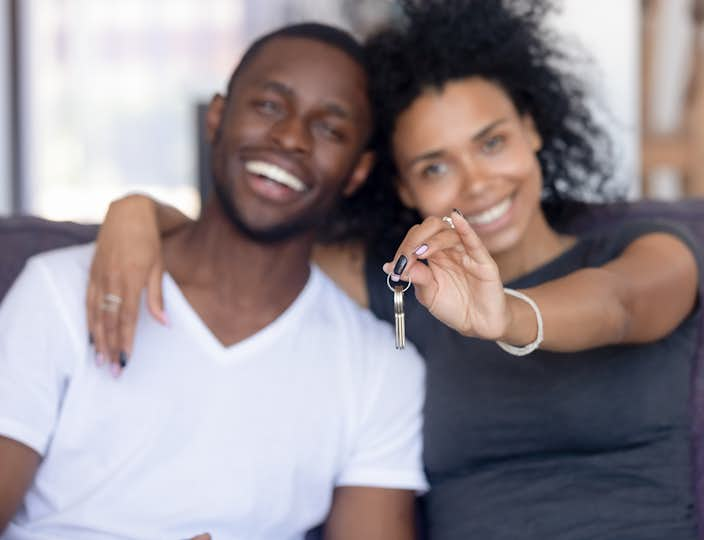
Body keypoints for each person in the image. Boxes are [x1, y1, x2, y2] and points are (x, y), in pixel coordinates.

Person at [84, 1, 702, 538]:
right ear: (402, 185)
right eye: (436, 167)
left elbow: (618, 305)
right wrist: (138, 213)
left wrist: (507, 313)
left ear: (532, 129)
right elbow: (247, 247)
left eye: (492, 143)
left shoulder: (645, 252)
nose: (479, 183)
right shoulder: (410, 285)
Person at [0, 23, 428, 540]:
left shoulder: (379, 366)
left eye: (328, 129)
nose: (290, 137)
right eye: (269, 105)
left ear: (358, 171)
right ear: (218, 117)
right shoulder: (59, 291)